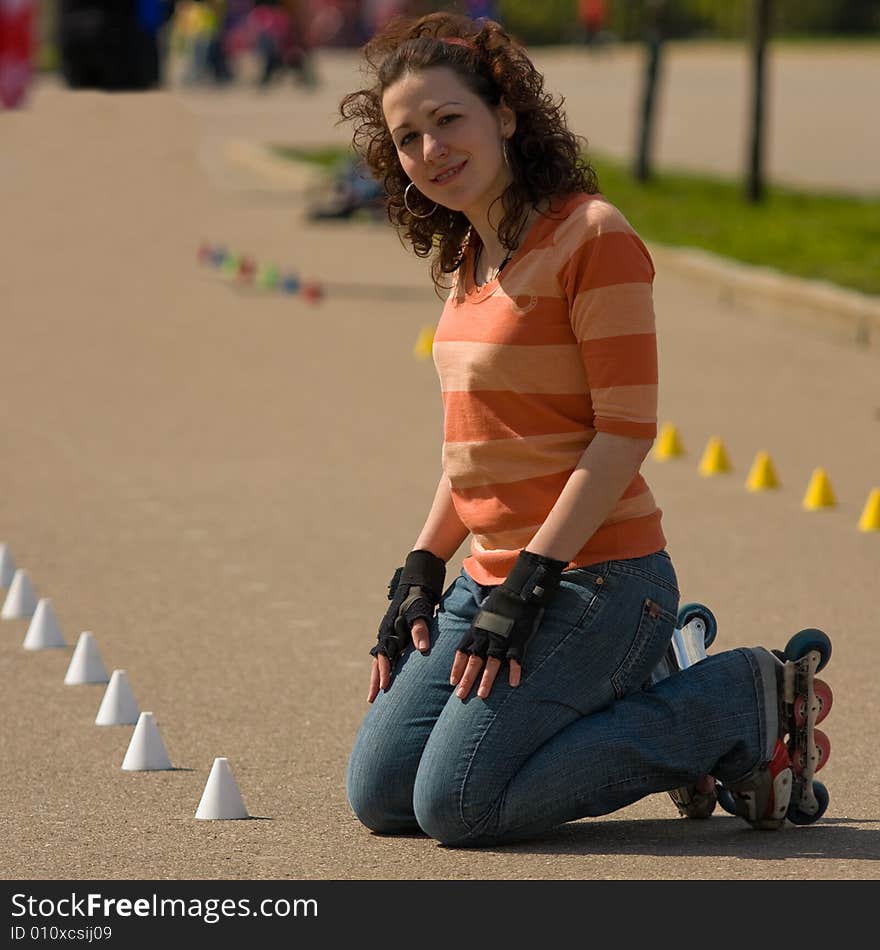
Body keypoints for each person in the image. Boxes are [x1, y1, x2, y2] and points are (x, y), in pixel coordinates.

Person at [340, 12, 831, 847]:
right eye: (409, 137)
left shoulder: (591, 238)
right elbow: (481, 447)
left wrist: (531, 582)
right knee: (383, 795)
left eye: (448, 119)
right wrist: (423, 564)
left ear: (505, 115)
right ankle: (641, 684)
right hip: (488, 582)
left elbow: (625, 433)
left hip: (596, 579)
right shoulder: (470, 258)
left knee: (459, 807)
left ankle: (732, 699)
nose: (431, 150)